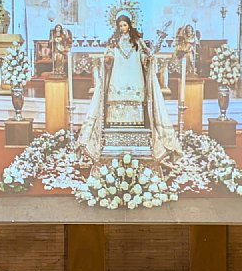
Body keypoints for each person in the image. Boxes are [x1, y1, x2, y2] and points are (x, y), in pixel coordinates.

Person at [77, 14, 180, 162]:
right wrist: (107, 59)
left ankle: (136, 122)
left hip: (134, 74)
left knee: (135, 97)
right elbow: (110, 54)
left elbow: (143, 57)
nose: (122, 28)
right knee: (116, 97)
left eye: (124, 25)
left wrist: (148, 59)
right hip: (118, 75)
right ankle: (116, 122)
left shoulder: (137, 42)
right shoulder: (114, 41)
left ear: (130, 25)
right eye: (120, 26)